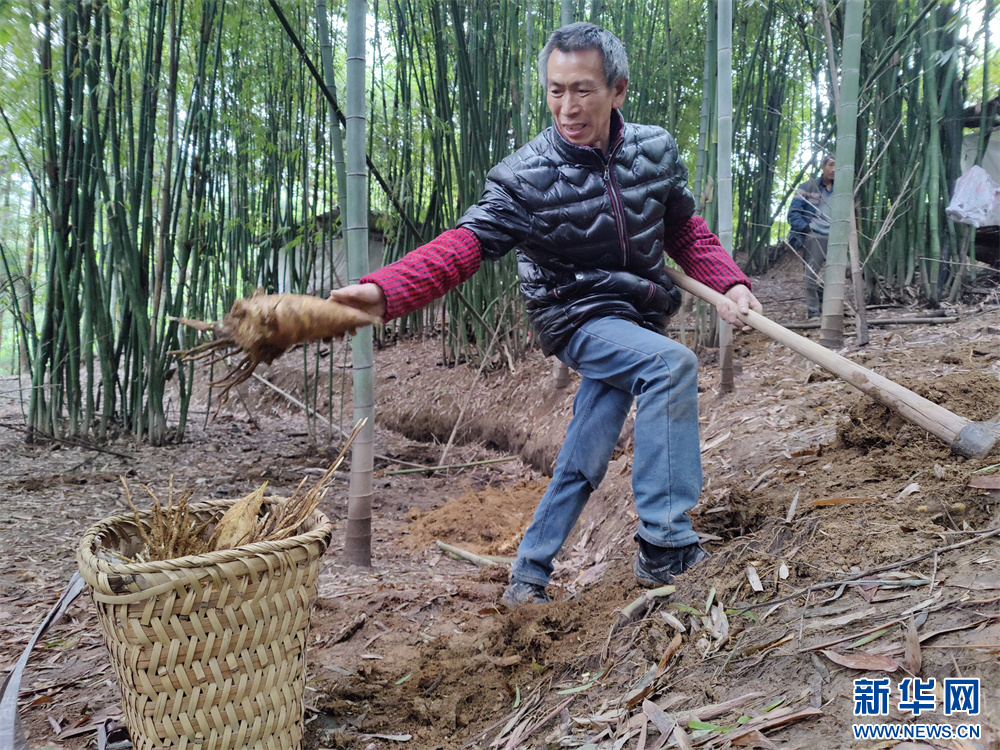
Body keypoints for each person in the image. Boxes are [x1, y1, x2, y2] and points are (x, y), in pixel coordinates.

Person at [331, 22, 762, 607]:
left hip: (638, 317)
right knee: (670, 367)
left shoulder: (654, 151)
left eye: (583, 90)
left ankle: (528, 573)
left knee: (587, 448)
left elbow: (683, 229)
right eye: (556, 91)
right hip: (575, 314)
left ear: (618, 90)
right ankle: (665, 545)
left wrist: (730, 282)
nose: (568, 107)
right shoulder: (526, 176)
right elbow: (467, 243)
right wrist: (387, 290)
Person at [787, 154, 835, 319]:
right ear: (822, 166)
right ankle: (814, 312)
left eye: (837, 166)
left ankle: (831, 307)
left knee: (842, 272)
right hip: (815, 235)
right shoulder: (808, 186)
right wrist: (807, 229)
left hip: (837, 237)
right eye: (831, 164)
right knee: (811, 275)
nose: (834, 169)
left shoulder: (843, 189)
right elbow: (793, 213)